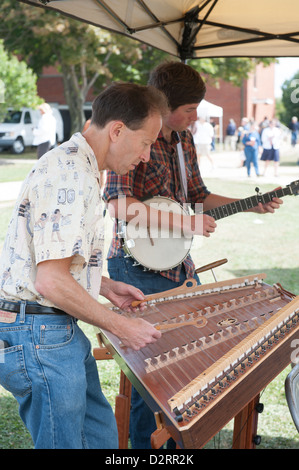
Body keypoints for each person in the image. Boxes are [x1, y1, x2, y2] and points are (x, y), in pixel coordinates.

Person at [103, 61, 283, 449]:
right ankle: (147, 449)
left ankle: (178, 445)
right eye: (189, 109)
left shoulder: (184, 141)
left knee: (188, 366)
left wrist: (250, 203)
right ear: (163, 105)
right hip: (133, 269)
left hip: (178, 266)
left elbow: (197, 198)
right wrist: (186, 223)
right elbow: (118, 204)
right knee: (150, 380)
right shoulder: (135, 134)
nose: (195, 116)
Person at [0, 82, 168, 449]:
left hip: (50, 328)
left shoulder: (81, 165)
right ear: (118, 130)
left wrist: (104, 285)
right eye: (146, 142)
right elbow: (49, 281)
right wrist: (120, 326)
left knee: (100, 438)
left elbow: (50, 258)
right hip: (39, 331)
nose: (147, 156)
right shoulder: (71, 175)